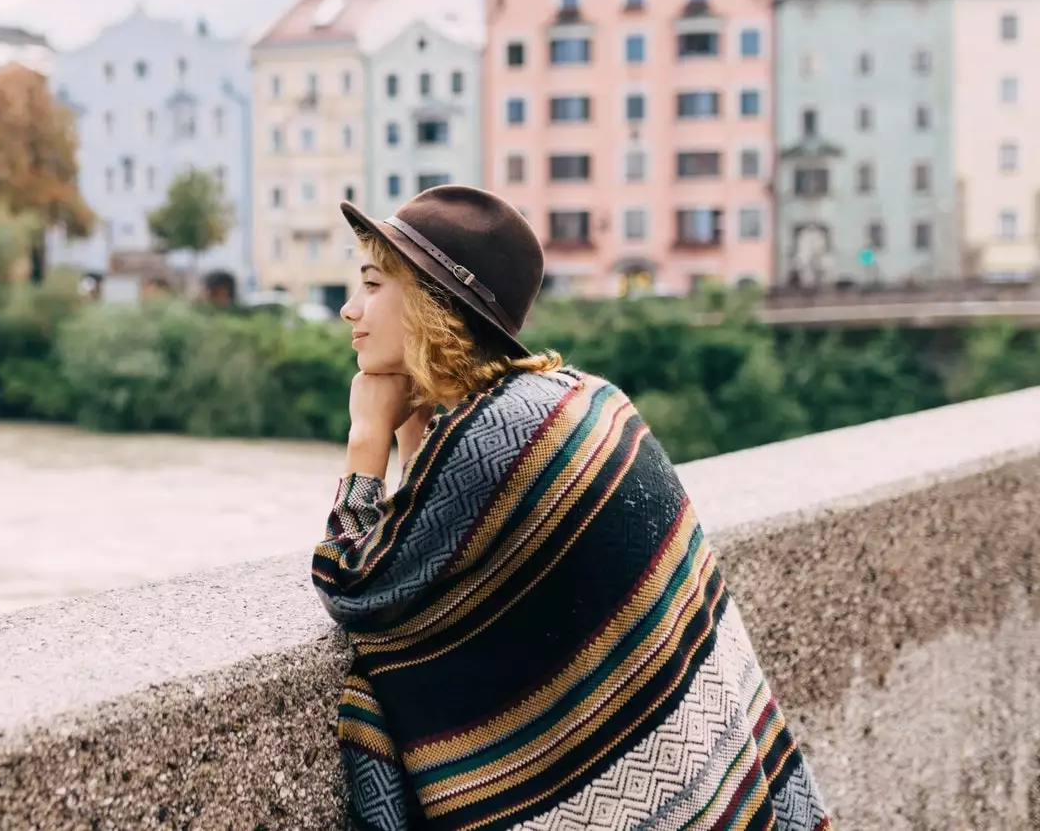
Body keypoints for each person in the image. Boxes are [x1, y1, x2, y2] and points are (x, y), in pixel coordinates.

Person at [313, 185, 830, 831]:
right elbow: (434, 547)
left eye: (372, 285)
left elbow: (358, 581)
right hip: (702, 779)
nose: (348, 309)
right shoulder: (574, 398)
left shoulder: (489, 442)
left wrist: (367, 439)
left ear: (430, 303)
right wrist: (415, 431)